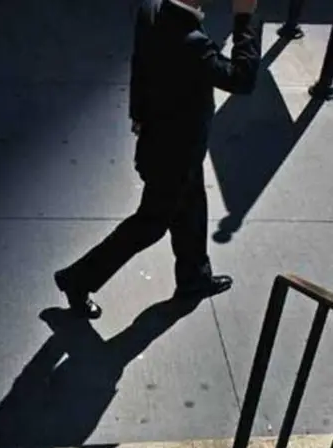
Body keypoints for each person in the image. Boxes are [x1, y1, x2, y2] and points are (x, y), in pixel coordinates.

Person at [55, 0, 261, 318]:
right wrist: (244, 18)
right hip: (173, 153)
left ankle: (194, 278)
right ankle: (78, 279)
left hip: (168, 143)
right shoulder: (192, 42)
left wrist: (138, 112)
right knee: (151, 224)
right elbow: (241, 78)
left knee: (192, 207)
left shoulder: (152, 9)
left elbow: (141, 62)